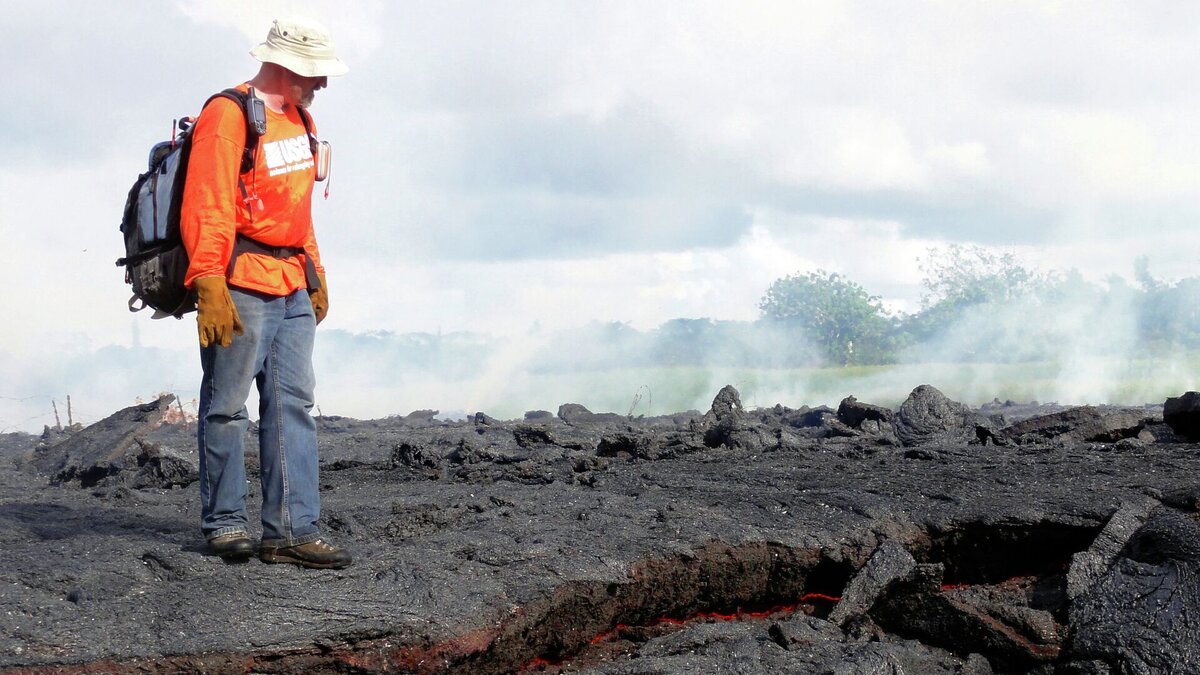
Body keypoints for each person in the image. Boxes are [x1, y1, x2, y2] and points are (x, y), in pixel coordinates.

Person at [180, 16, 351, 569]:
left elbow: (297, 210)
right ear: (286, 65)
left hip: (291, 282)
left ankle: (292, 531)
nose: (322, 84)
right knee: (227, 407)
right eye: (315, 73)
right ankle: (226, 524)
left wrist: (315, 273)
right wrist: (208, 281)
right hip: (240, 283)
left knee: (293, 406)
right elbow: (207, 203)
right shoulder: (229, 115)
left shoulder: (300, 119)